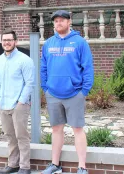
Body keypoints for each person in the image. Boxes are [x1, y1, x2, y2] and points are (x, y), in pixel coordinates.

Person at [40, 10, 94, 174]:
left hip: (74, 93)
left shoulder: (79, 43)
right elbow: (43, 68)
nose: (58, 23)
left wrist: (84, 91)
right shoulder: (49, 43)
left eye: (62, 20)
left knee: (77, 129)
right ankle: (55, 164)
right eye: (56, 21)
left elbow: (88, 68)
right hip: (53, 94)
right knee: (56, 129)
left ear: (69, 22)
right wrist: (46, 87)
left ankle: (82, 166)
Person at [0, 29, 35, 174]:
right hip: (3, 104)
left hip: (19, 106)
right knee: (10, 136)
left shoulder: (25, 60)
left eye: (9, 40)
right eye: (4, 40)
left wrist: (21, 102)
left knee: (21, 136)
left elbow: (30, 83)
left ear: (15, 42)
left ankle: (24, 167)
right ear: (1, 42)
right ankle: (13, 164)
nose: (6, 42)